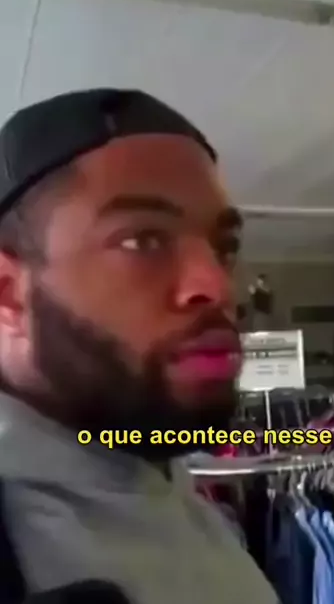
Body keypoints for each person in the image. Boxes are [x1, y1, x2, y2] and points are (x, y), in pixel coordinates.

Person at [0, 88, 277, 604]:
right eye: (143, 240)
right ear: (8, 292)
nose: (218, 287)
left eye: (225, 247)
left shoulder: (169, 484)